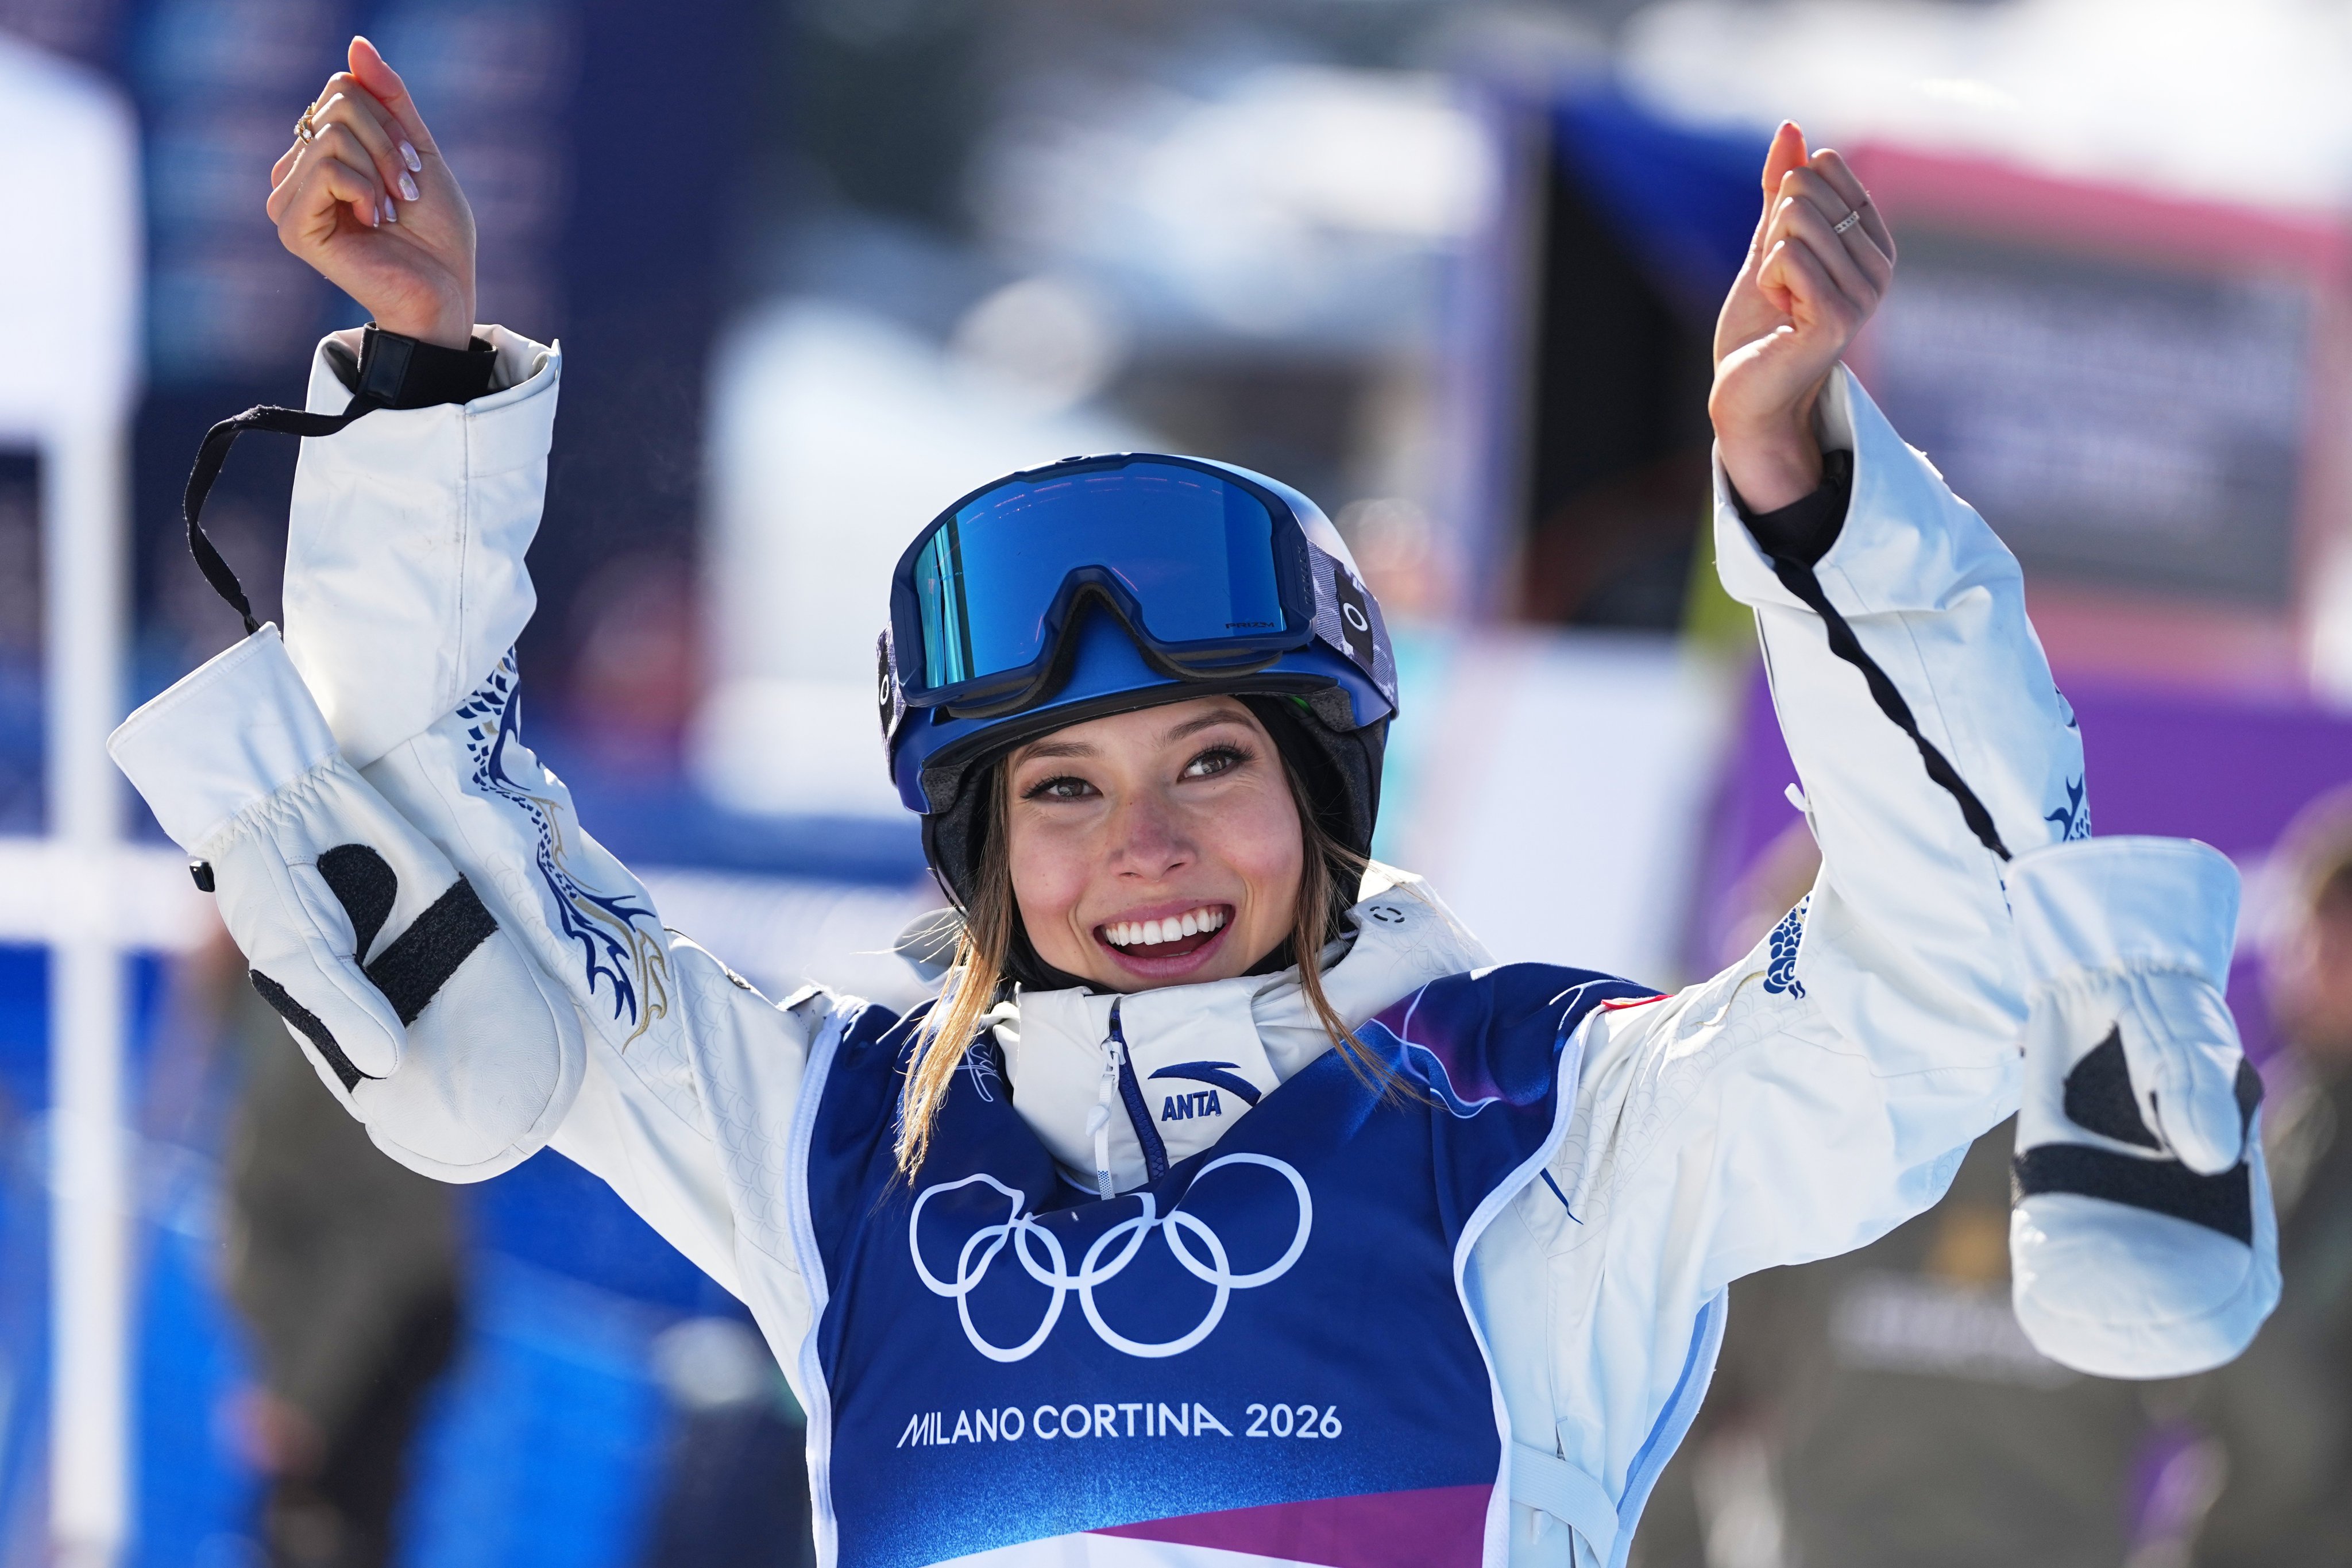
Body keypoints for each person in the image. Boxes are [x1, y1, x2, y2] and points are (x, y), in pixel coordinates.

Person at [107, 37, 2266, 1568]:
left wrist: (1799, 488)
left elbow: (1937, 971)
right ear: (977, 847)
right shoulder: (834, 1142)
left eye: (1211, 764)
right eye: (1059, 786)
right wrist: (412, 376)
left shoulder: (1546, 1130)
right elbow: (442, 853)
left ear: (1322, 801)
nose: (1139, 846)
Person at [2188, 787, 2352, 1562]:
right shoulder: (2290, 1111)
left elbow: (2275, 1341)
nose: (2315, 962)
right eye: (2312, 931)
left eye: (2343, 941)